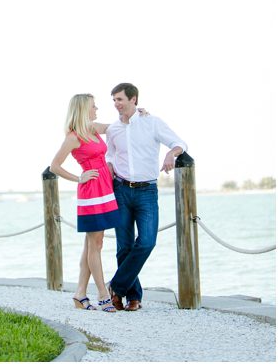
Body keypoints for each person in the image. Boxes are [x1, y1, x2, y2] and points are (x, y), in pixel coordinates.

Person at [106, 82, 187, 312]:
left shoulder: (152, 123)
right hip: (120, 190)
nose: (116, 104)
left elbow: (179, 142)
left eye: (120, 99)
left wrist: (172, 153)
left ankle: (117, 286)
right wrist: (110, 163)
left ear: (134, 99)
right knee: (124, 247)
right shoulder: (113, 129)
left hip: (147, 192)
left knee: (147, 241)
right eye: (114, 100)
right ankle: (133, 297)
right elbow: (110, 154)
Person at [50, 94, 121, 312]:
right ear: (83, 109)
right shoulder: (73, 137)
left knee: (91, 245)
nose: (97, 108)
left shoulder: (92, 128)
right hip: (91, 192)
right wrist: (79, 177)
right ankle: (102, 294)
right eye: (93, 106)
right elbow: (54, 166)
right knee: (96, 245)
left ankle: (80, 294)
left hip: (106, 188)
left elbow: (118, 127)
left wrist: (140, 115)